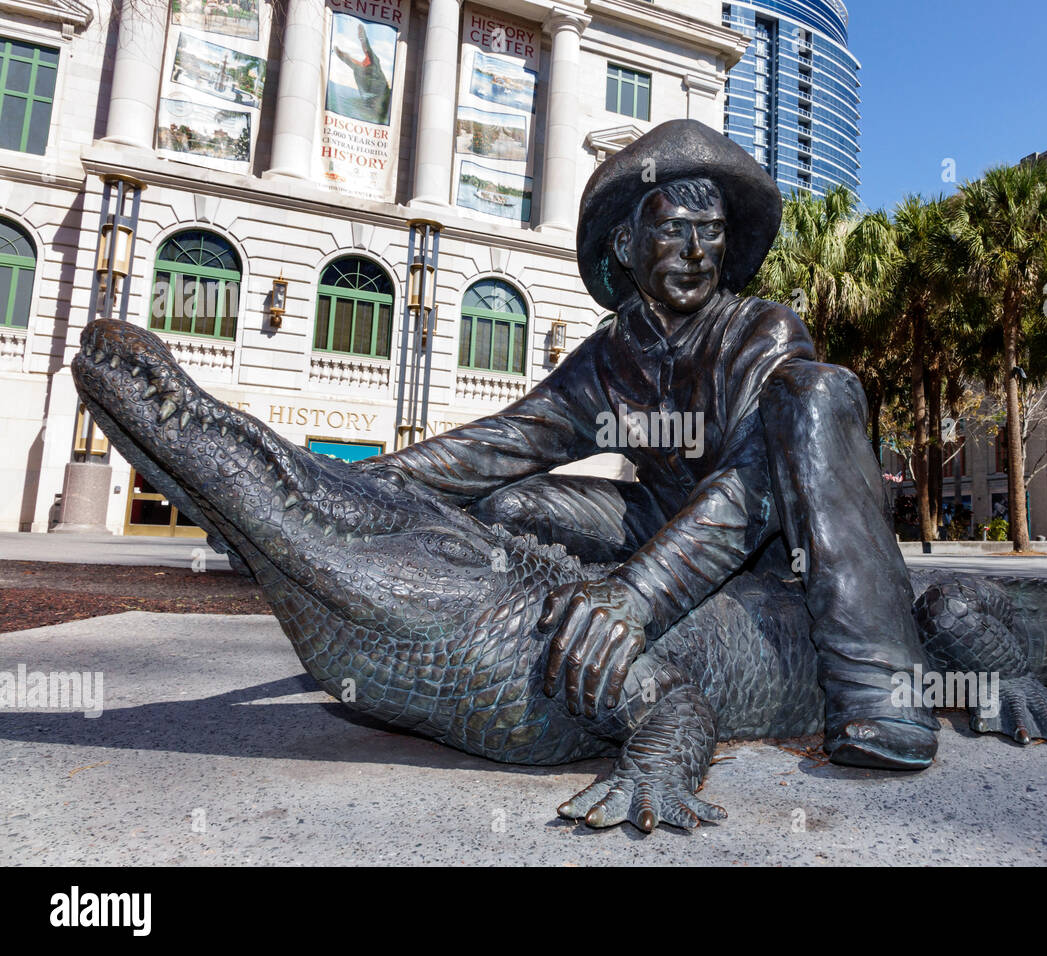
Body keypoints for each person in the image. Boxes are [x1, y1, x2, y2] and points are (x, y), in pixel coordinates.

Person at [367, 120, 938, 769]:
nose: (696, 250)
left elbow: (749, 488)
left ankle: (881, 686)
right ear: (626, 241)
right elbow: (499, 444)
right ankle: (520, 636)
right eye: (673, 229)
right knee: (511, 503)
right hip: (660, 517)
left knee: (817, 392)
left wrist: (636, 595)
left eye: (712, 232)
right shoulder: (611, 356)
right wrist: (341, 485)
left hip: (777, 538)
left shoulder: (762, 329)